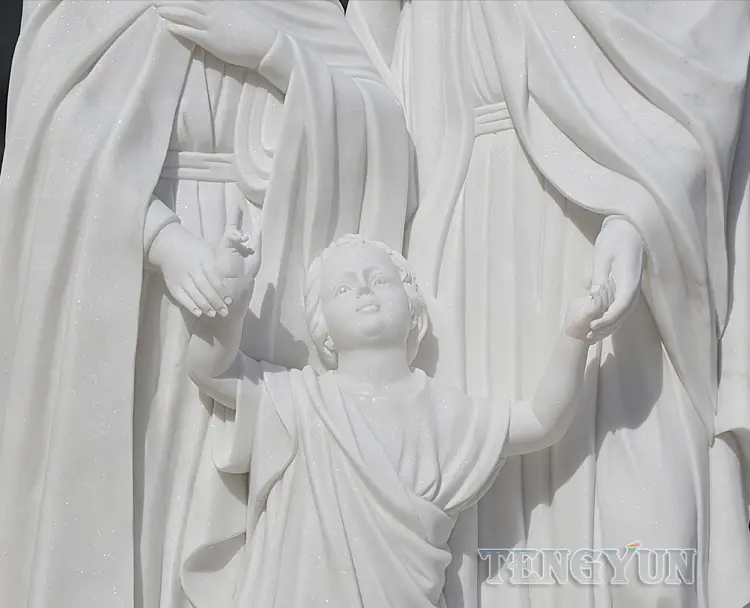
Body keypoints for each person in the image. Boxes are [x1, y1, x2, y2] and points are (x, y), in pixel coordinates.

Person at [0, 2, 414, 608]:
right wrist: (164, 241)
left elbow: (383, 125)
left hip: (271, 274)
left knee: (243, 490)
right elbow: (57, 149)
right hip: (132, 278)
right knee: (151, 476)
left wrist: (273, 52)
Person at [347, 1, 750, 607]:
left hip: (609, 213)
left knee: (642, 515)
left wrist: (638, 214)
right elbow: (370, 63)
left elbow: (702, 52)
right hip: (458, 217)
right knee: (486, 527)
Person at [181, 223, 616, 608]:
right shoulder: (297, 398)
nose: (364, 292)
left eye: (379, 280)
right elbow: (209, 370)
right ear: (321, 325)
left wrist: (574, 335)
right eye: (343, 289)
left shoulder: (445, 411)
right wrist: (231, 296)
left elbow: (540, 421)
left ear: (411, 305)